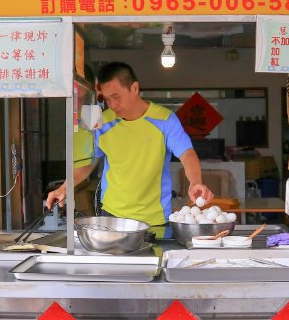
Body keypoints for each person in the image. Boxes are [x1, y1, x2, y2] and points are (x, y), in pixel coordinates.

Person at [46, 62, 214, 234]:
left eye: (116, 97)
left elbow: (187, 155)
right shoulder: (101, 122)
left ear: (134, 88)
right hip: (111, 217)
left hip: (154, 220)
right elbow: (86, 164)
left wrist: (195, 182)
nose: (112, 105)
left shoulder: (165, 120)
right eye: (107, 99)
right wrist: (63, 188)